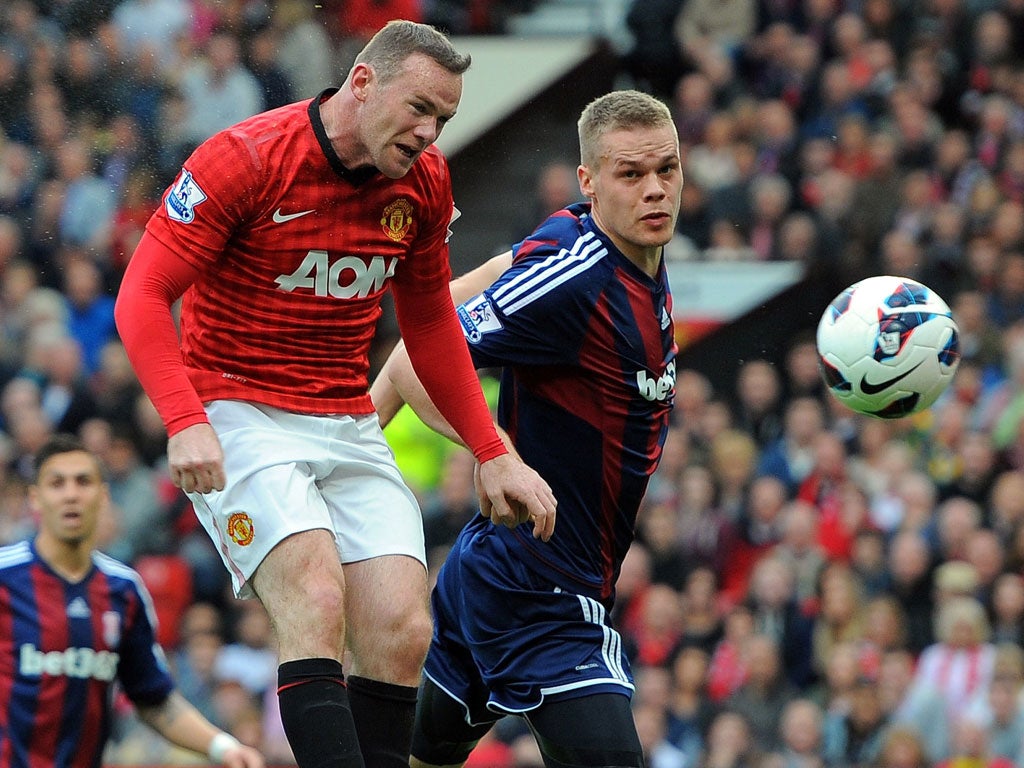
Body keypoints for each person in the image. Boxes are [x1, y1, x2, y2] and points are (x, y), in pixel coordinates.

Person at [113, 20, 556, 768]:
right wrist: (185, 419)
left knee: (401, 628)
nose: (428, 132)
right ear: (361, 81)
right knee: (316, 599)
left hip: (345, 417)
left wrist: (491, 449)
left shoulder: (423, 183)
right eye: (418, 108)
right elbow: (143, 295)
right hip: (236, 409)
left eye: (442, 119)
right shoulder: (245, 159)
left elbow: (429, 325)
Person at [371, 89, 682, 767]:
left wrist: (362, 421)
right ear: (590, 181)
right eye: (631, 175)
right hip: (543, 597)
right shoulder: (578, 278)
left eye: (667, 169)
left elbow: (460, 293)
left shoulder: (584, 236)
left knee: (419, 759)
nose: (655, 190)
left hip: (494, 571)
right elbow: (419, 353)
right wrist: (495, 454)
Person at [0, 433, 265, 768]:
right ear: (35, 499)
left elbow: (154, 699)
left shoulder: (122, 590)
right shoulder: (5, 579)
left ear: (103, 496)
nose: (70, 494)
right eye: (57, 483)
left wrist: (224, 748)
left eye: (83, 482)